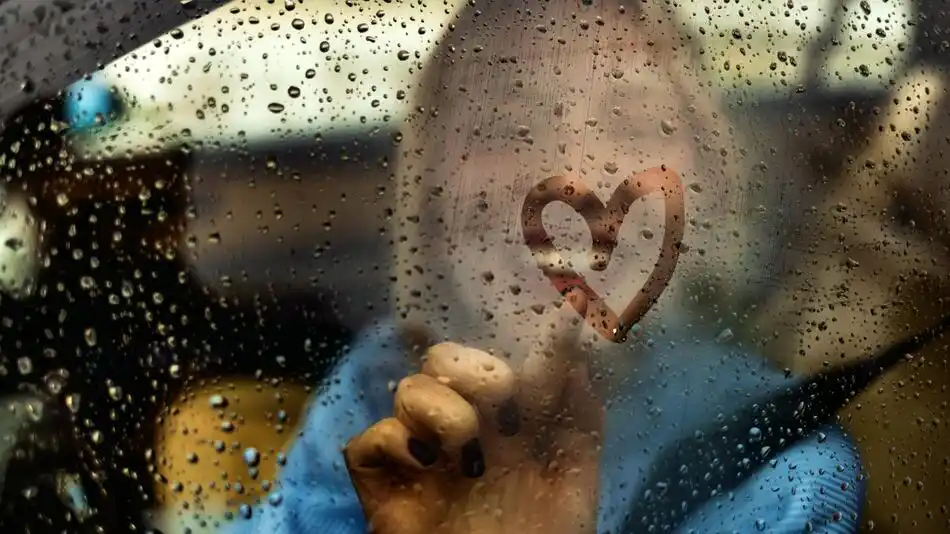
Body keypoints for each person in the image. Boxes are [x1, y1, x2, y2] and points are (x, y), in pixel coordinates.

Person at [226, 1, 867, 533]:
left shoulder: (775, 458)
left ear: (707, 179)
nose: (572, 171)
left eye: (634, 120)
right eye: (507, 124)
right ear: (431, 189)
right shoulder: (380, 385)